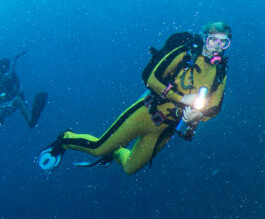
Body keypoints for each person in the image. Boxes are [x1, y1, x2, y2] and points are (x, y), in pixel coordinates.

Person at [36, 21, 231, 175]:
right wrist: (181, 98)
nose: (218, 46)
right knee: (97, 148)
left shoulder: (220, 71)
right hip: (146, 113)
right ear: (205, 37)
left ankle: (116, 152)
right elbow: (151, 78)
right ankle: (65, 140)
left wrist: (197, 116)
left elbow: (214, 108)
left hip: (166, 130)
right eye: (214, 39)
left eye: (224, 42)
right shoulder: (184, 54)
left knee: (130, 168)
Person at [0, 52, 47, 129]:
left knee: (17, 100)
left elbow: (18, 94)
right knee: (17, 100)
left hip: (9, 103)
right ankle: (30, 120)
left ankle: (30, 120)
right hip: (6, 104)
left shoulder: (12, 78)